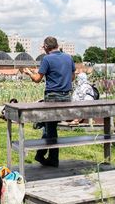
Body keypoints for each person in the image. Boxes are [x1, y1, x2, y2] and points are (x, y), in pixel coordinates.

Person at [22, 36, 75, 167]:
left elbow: (37, 79)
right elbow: (72, 77)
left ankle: (53, 159)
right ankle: (41, 155)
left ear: (46, 47)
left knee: (50, 128)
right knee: (49, 127)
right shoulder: (68, 57)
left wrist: (29, 73)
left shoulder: (46, 59)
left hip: (52, 97)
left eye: (43, 47)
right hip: (67, 98)